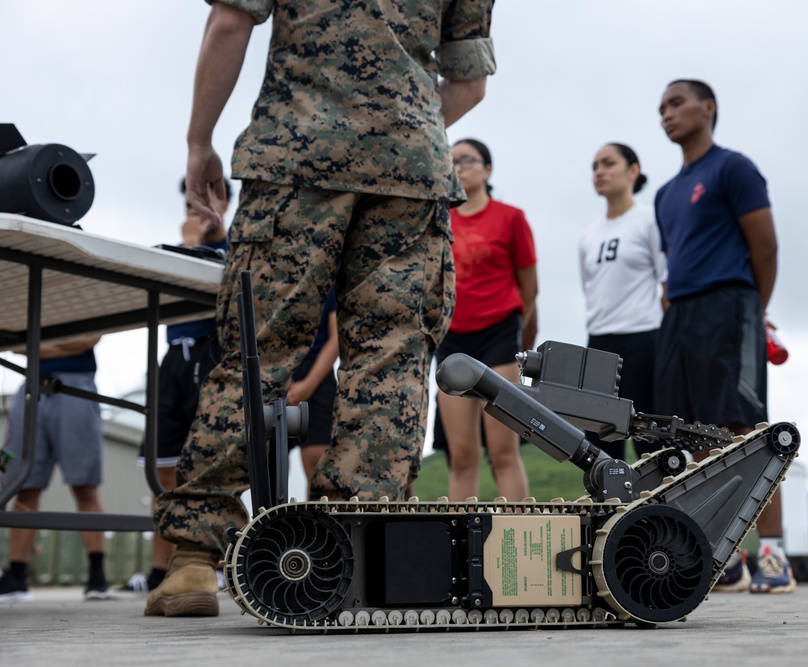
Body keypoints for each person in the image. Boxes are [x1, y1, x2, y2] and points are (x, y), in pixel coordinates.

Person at [146, 0, 494, 618]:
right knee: (391, 363)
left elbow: (231, 22)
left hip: (294, 157)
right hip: (411, 173)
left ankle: (195, 561)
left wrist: (199, 141)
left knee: (256, 353)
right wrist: (396, 134)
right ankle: (348, 555)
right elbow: (468, 81)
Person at [652, 79, 789, 593]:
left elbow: (766, 246)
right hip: (680, 317)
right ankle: (723, 557)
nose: (667, 114)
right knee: (693, 434)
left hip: (731, 306)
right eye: (661, 108)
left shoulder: (733, 167)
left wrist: (757, 307)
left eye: (677, 103)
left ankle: (774, 558)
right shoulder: (665, 193)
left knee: (746, 428)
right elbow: (674, 258)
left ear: (708, 108)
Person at [120, 177, 230, 595]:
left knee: (209, 468)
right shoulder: (177, 248)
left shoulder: (234, 250)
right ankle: (158, 568)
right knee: (162, 471)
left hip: (212, 355)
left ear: (223, 200)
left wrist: (191, 244)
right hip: (173, 360)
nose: (197, 210)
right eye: (191, 202)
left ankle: (213, 562)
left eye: (206, 199)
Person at [434, 139, 536, 503]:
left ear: (487, 169)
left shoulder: (510, 217)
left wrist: (521, 332)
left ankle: (524, 537)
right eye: (453, 160)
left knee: (503, 452)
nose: (459, 166)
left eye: (468, 159)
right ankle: (461, 543)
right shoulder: (440, 219)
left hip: (499, 335)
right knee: (461, 456)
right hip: (452, 338)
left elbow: (529, 285)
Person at [0, 337, 108, 601]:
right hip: (32, 384)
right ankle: (16, 575)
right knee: (24, 486)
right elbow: (14, 345)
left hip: (75, 384)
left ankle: (97, 576)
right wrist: (59, 348)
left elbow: (87, 340)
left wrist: (36, 348)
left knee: (85, 486)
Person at [579, 143, 667, 461]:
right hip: (599, 345)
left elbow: (666, 281)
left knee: (651, 443)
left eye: (608, 163)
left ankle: (660, 511)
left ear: (633, 171)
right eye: (594, 166)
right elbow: (590, 289)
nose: (599, 171)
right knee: (600, 447)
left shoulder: (650, 220)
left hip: (644, 340)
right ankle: (609, 511)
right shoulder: (589, 235)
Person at [285, 289, 339, 484]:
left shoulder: (327, 276)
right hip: (273, 371)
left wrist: (308, 385)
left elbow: (336, 336)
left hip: (317, 371)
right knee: (271, 468)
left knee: (320, 469)